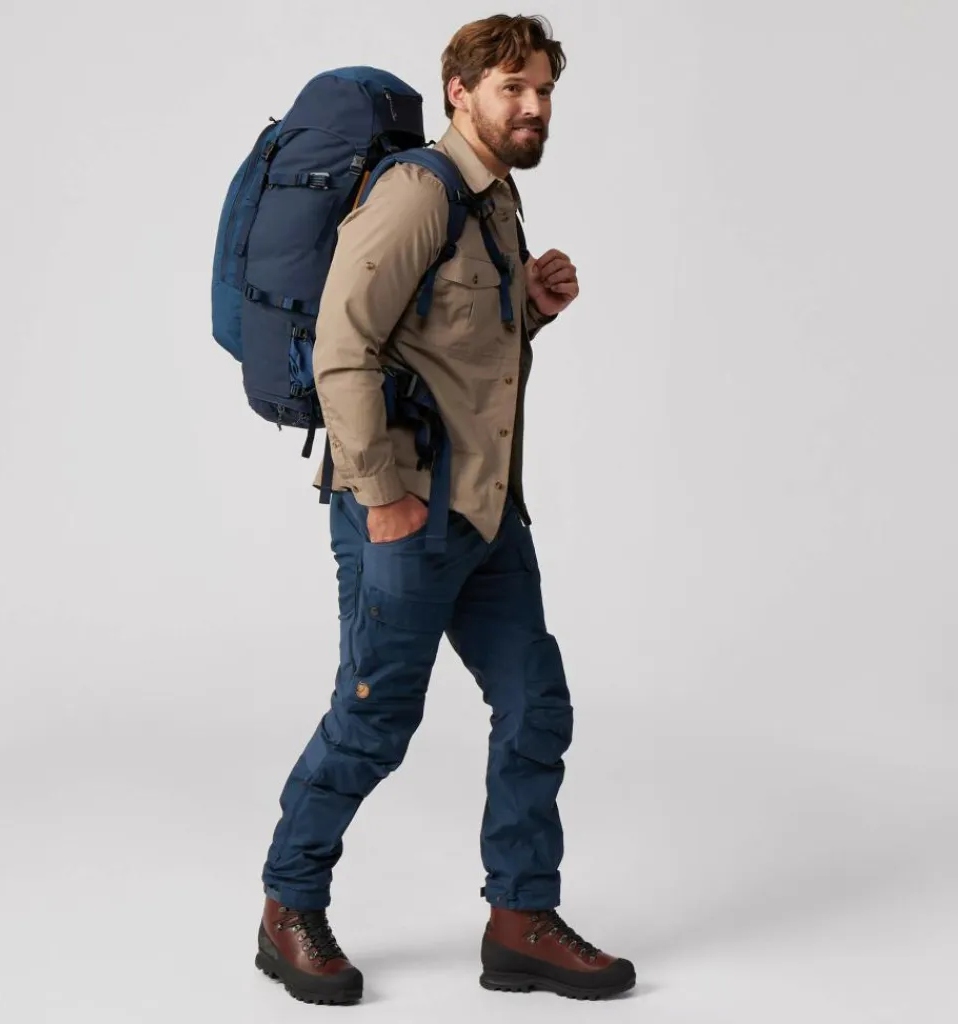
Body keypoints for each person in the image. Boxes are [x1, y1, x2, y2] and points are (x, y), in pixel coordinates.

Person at [254, 14, 636, 1005]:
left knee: (535, 704)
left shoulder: (494, 198)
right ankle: (288, 903)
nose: (534, 107)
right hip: (407, 510)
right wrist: (381, 498)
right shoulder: (418, 193)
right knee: (374, 720)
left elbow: (452, 352)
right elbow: (342, 346)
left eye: (543, 90)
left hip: (486, 508)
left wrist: (531, 311)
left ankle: (520, 920)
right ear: (460, 93)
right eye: (514, 89)